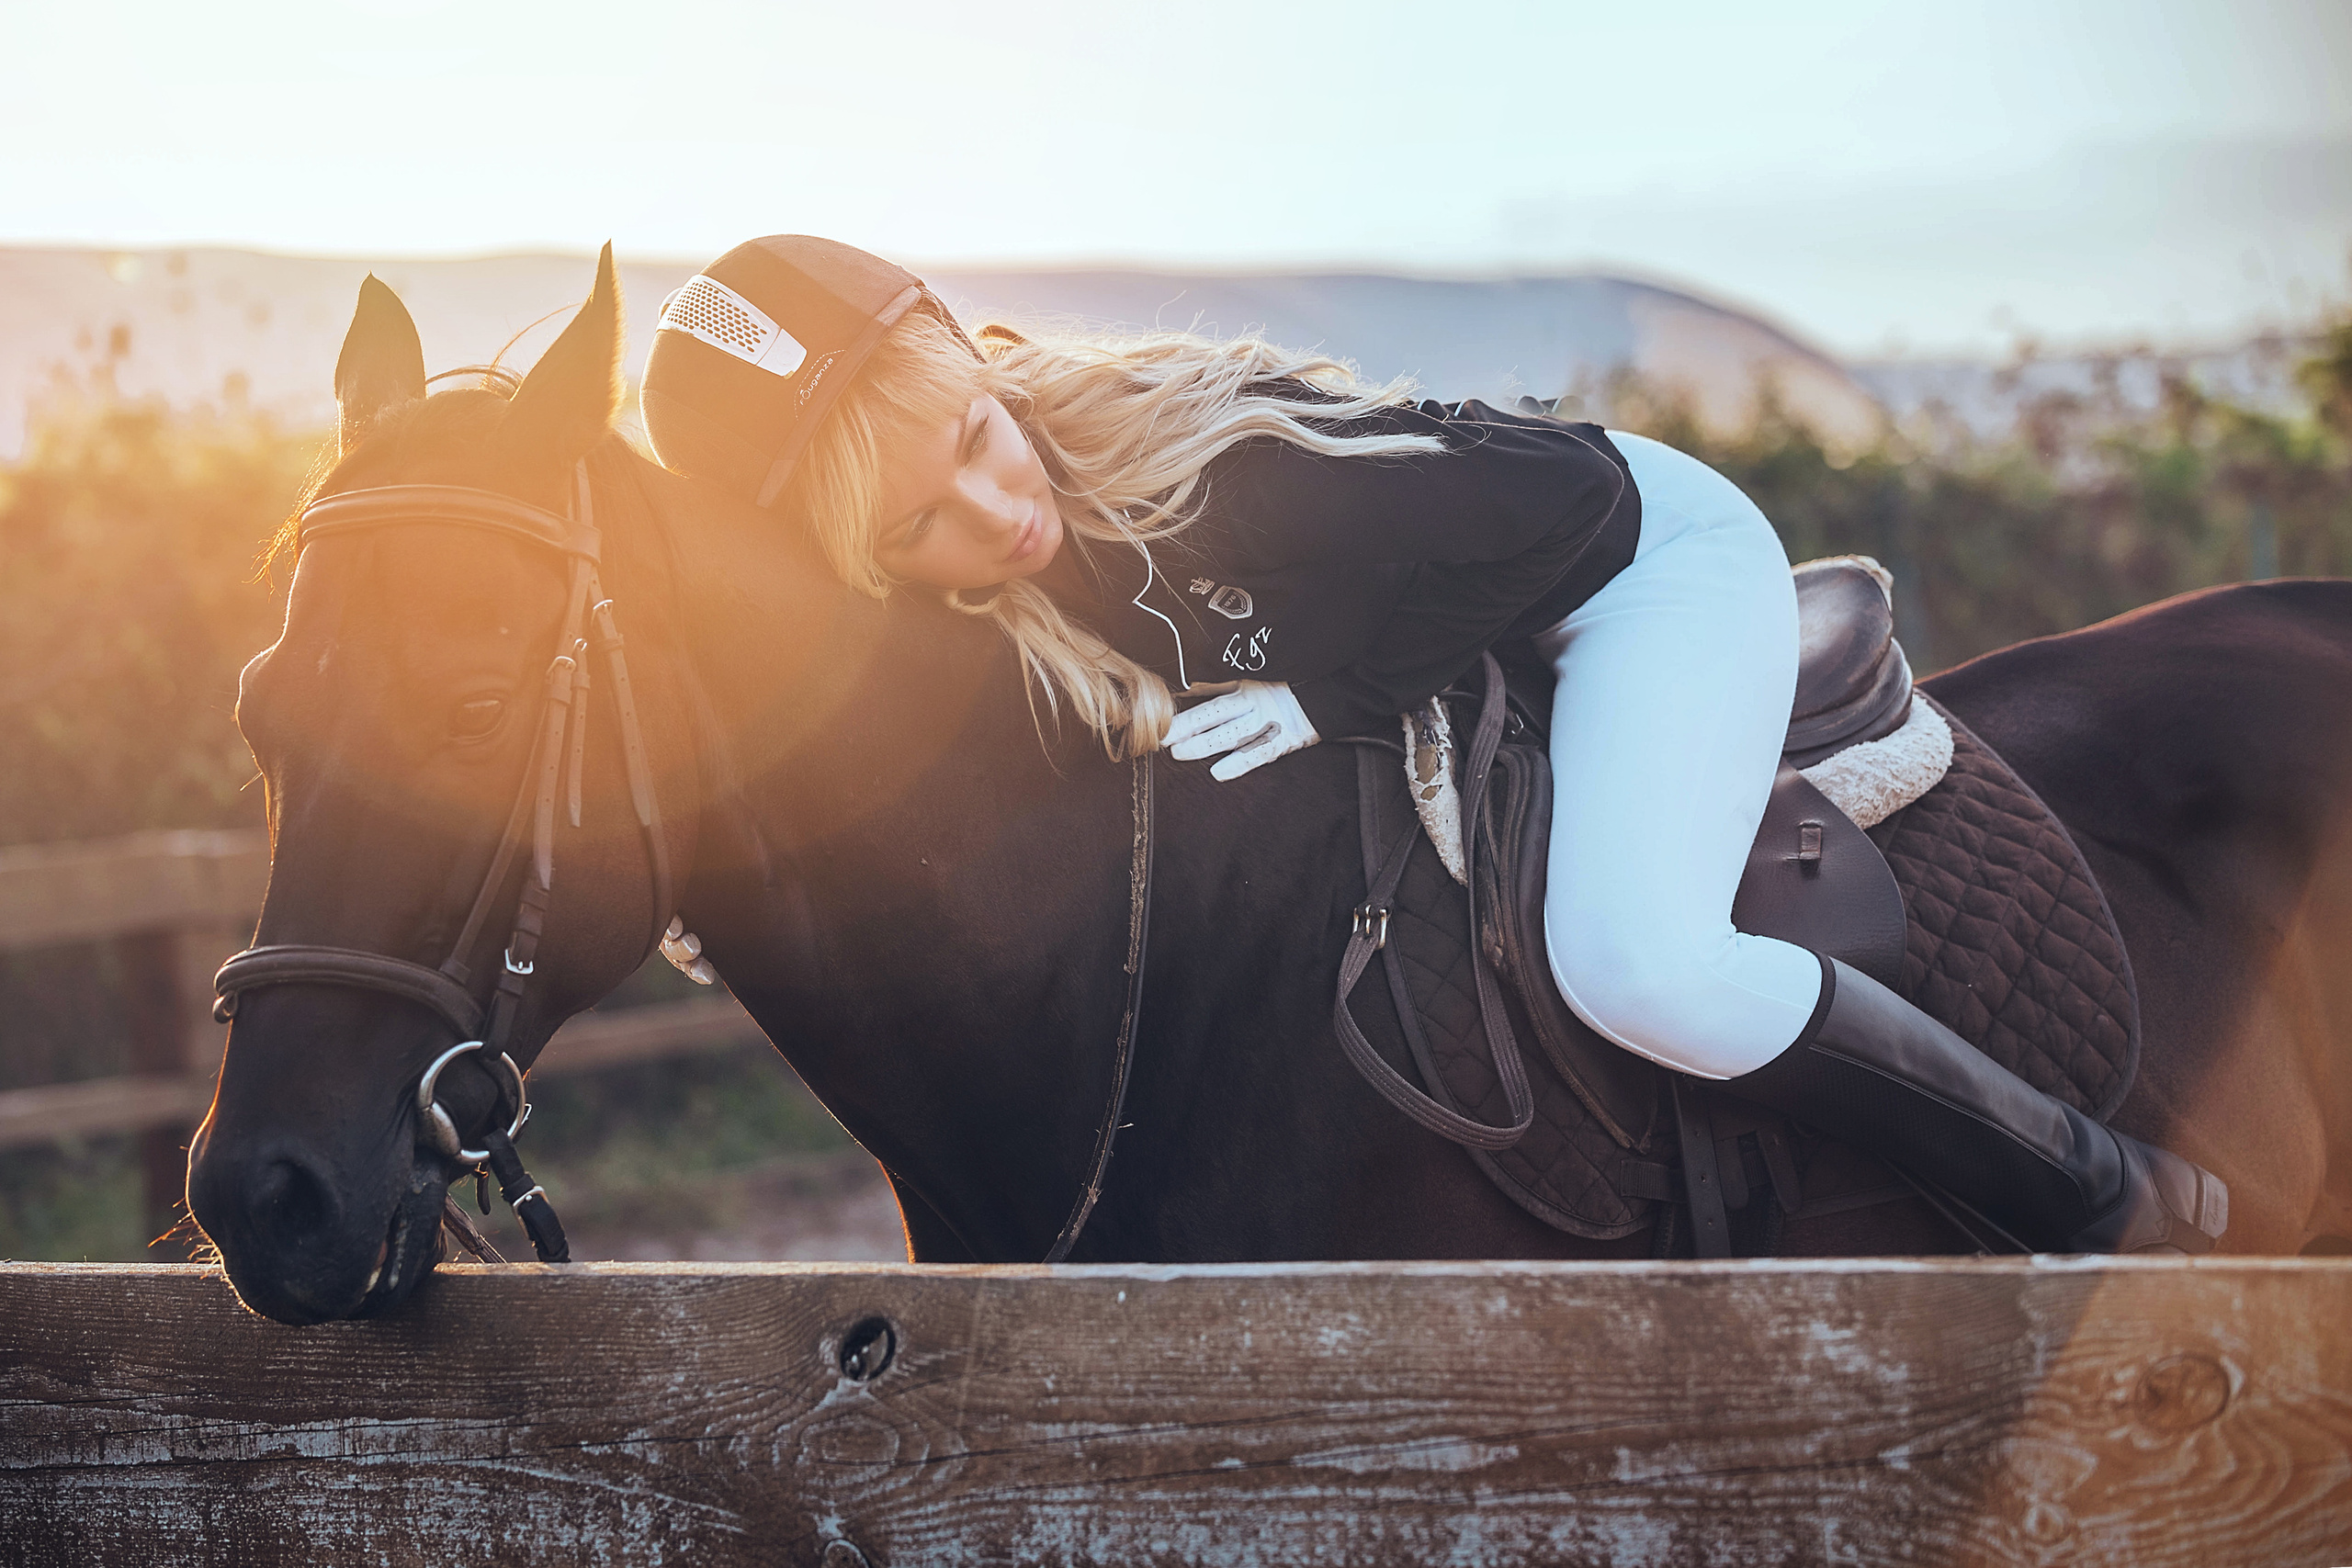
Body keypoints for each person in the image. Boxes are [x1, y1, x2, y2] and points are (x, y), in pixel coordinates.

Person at [640, 234, 2226, 1255]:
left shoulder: (1237, 467)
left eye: (977, 439)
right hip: (1489, 617)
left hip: (1634, 570)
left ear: (984, 367)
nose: (998, 515)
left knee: (1639, 960)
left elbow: (1573, 508)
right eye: (920, 527)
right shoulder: (996, 585)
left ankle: (2104, 1191)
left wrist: (1335, 702)